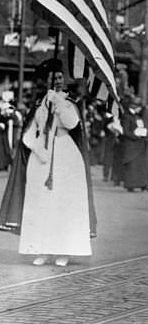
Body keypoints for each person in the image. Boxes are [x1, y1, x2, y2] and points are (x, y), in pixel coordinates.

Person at [0, 57, 95, 267]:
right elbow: (29, 133)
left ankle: (64, 250)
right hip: (42, 158)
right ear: (47, 79)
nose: (58, 80)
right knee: (41, 205)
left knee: (63, 204)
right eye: (54, 77)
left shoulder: (70, 103)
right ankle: (41, 248)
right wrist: (37, 148)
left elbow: (72, 124)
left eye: (60, 77)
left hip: (65, 156)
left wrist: (59, 103)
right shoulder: (39, 103)